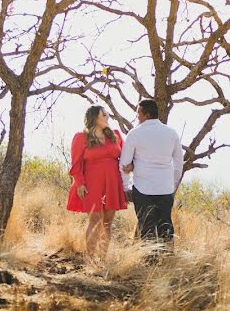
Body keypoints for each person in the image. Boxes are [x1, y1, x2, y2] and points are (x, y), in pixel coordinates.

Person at [119, 98, 184, 243]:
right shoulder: (171, 133)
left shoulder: (135, 133)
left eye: (138, 114)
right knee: (166, 227)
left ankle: (150, 262)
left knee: (147, 228)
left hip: (143, 189)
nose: (137, 117)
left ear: (146, 115)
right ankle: (168, 261)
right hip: (165, 188)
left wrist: (125, 187)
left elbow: (124, 164)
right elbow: (179, 164)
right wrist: (172, 185)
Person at [67, 105, 128, 258]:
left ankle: (102, 259)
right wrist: (79, 183)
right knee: (95, 220)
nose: (107, 117)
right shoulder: (81, 137)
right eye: (104, 115)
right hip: (92, 183)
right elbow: (75, 163)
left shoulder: (115, 135)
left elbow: (126, 157)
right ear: (95, 118)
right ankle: (90, 258)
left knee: (107, 222)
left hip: (112, 182)